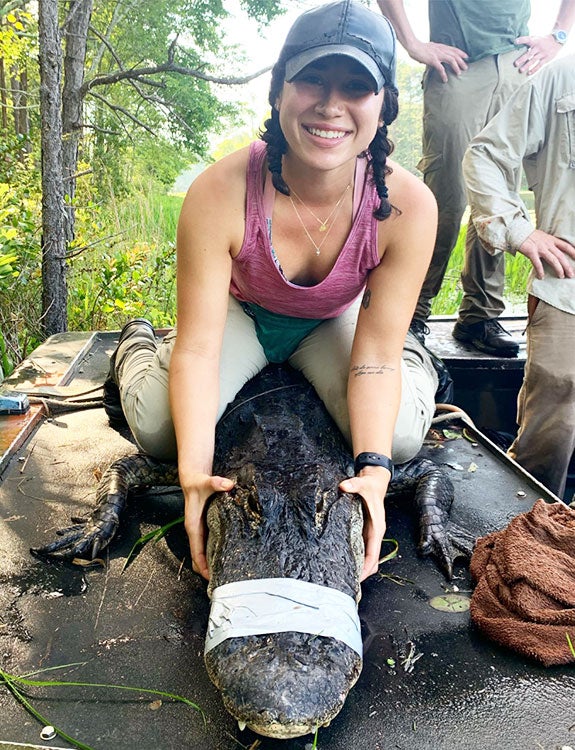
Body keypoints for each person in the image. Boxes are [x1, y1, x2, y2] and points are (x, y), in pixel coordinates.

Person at [103, 0, 441, 584]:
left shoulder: (408, 207)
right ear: (278, 88)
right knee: (160, 429)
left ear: (384, 104)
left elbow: (375, 359)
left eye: (356, 86)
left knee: (400, 438)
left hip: (333, 321)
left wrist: (375, 473)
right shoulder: (220, 191)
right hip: (242, 313)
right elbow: (199, 351)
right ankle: (135, 346)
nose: (330, 105)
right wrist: (193, 478)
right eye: (312, 79)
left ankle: (425, 362)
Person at [377, 0, 575, 357]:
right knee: (445, 197)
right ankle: (411, 312)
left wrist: (558, 35)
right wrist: (412, 43)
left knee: (500, 194)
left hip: (517, 63)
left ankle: (480, 315)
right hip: (458, 63)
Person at [462, 54, 575, 500]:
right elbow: (486, 155)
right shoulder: (563, 77)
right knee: (547, 437)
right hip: (567, 285)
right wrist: (519, 229)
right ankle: (526, 528)